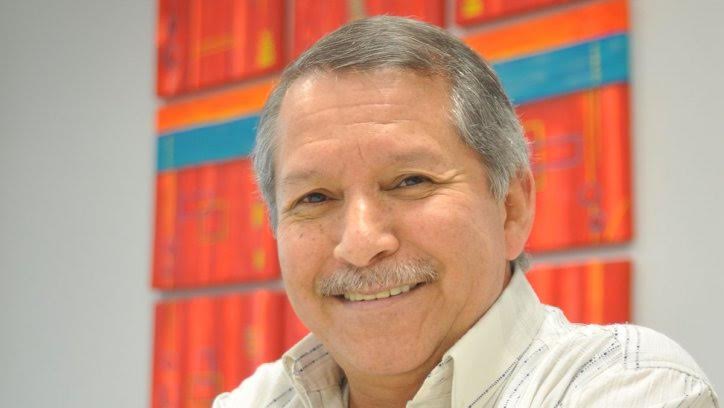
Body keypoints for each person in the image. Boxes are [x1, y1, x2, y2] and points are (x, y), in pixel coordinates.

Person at [214, 16, 719, 408]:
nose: (361, 242)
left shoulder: (629, 385)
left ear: (511, 208)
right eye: (315, 198)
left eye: (411, 181)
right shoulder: (254, 400)